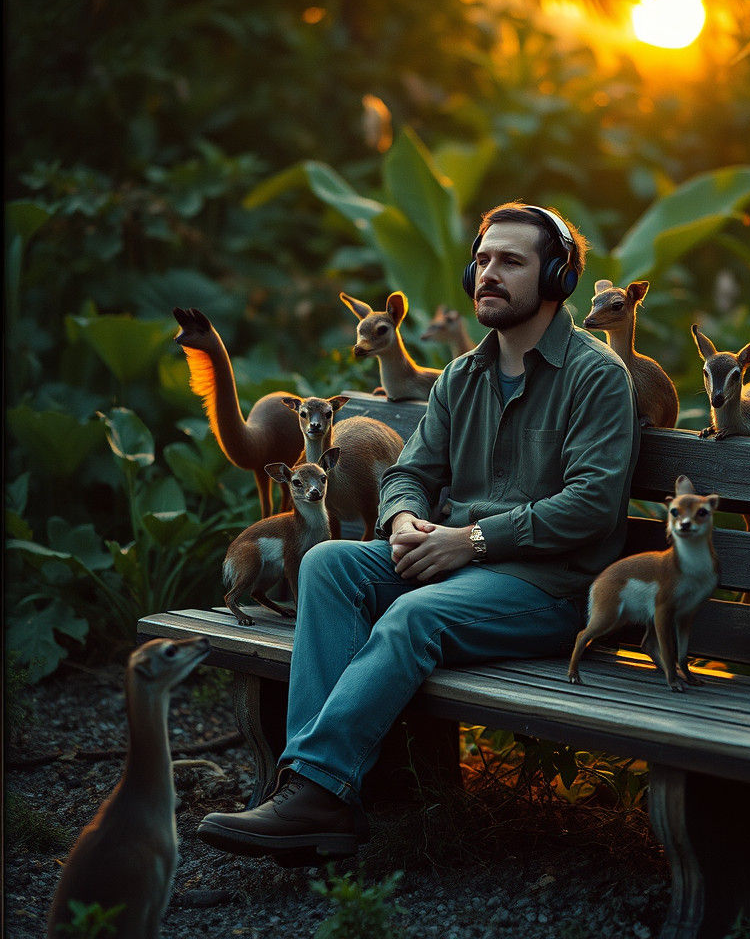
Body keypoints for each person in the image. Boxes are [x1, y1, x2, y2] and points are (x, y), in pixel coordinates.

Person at [197, 202, 641, 857]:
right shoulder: (462, 377)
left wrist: (472, 541)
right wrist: (402, 518)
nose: (488, 273)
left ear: (557, 278)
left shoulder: (597, 377)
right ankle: (312, 792)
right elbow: (410, 472)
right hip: (455, 566)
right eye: (483, 260)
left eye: (510, 261)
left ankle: (316, 795)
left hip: (550, 590)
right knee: (328, 567)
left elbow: (592, 506)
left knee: (415, 617)